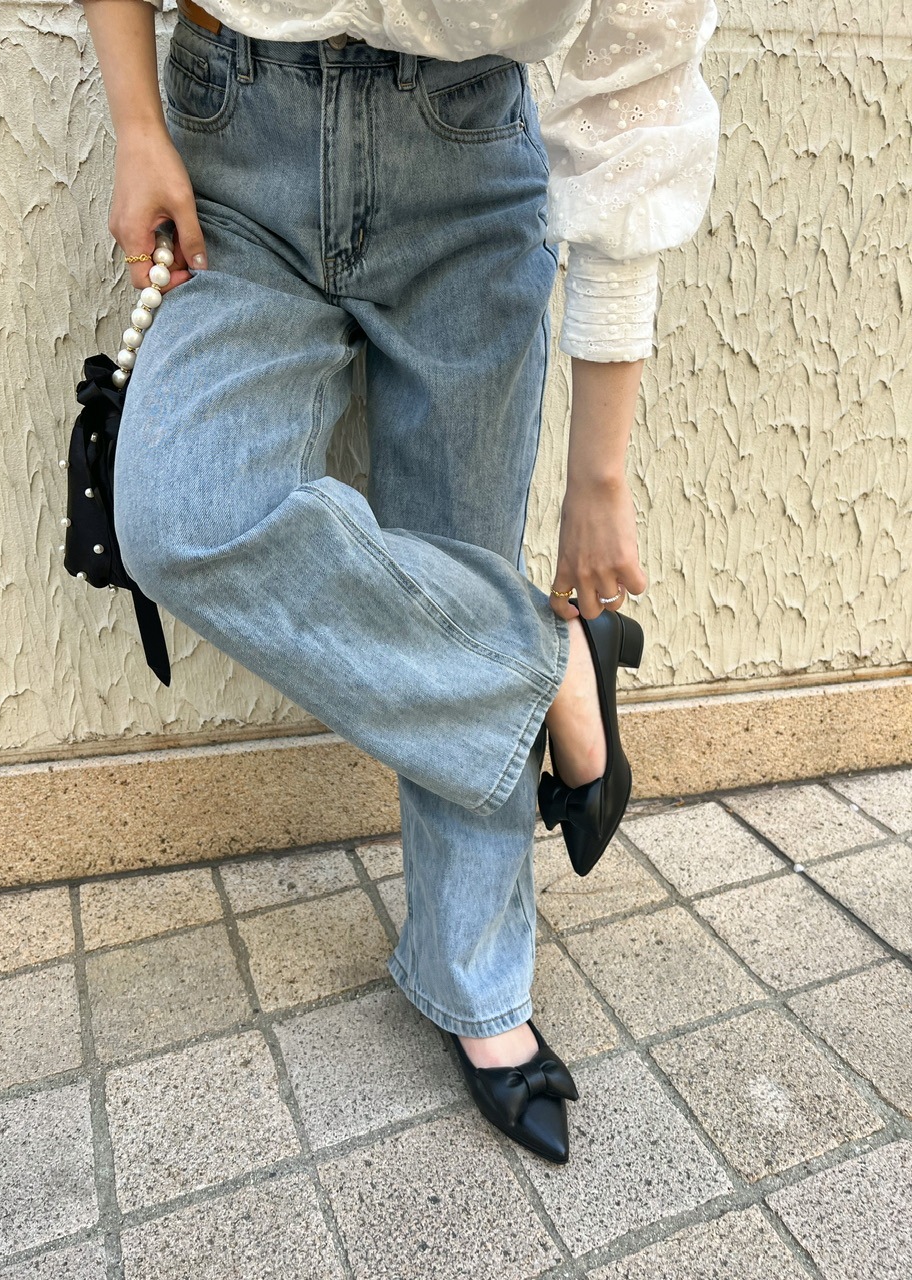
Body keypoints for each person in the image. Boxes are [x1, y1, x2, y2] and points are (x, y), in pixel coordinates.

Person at [75, 0, 720, 1163]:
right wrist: (134, 124)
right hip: (236, 151)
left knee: (462, 553)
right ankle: (552, 665)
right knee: (179, 512)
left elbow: (635, 105)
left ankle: (476, 978)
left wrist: (600, 475)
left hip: (466, 163)